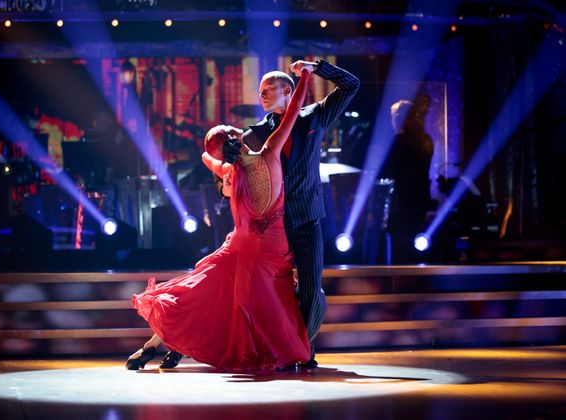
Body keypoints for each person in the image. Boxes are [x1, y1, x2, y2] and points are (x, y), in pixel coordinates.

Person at [125, 69, 313, 372]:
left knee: (198, 296)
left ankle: (153, 346)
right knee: (232, 305)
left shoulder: (229, 173)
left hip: (241, 246)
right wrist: (304, 77)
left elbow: (204, 157)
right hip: (270, 249)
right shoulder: (271, 151)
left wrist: (221, 159)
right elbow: (293, 111)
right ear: (240, 138)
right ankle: (169, 345)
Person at [229, 59, 361, 367]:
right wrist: (231, 157)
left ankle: (303, 345)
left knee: (312, 289)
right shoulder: (255, 133)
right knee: (276, 291)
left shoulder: (314, 116)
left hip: (308, 220)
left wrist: (317, 68)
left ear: (288, 90)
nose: (261, 96)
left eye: (266, 90)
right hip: (272, 226)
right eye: (260, 91)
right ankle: (286, 346)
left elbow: (352, 85)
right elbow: (229, 174)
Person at [379, 98, 434, 264]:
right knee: (415, 244)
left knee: (399, 247)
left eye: (395, 114)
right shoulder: (425, 139)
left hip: (400, 201)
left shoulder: (398, 141)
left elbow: (386, 171)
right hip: (420, 199)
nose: (393, 118)